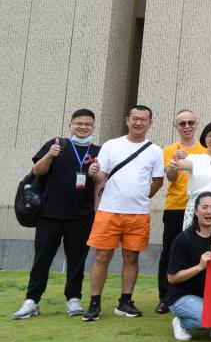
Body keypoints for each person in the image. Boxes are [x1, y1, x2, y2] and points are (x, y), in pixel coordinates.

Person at [13, 109, 101, 320]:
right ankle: (32, 300)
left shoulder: (98, 151)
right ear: (70, 125)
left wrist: (95, 175)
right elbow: (37, 171)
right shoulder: (57, 144)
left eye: (87, 124)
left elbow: (102, 182)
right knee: (42, 258)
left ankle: (74, 298)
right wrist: (50, 155)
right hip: (50, 214)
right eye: (78, 123)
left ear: (93, 127)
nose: (83, 127)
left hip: (82, 216)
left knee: (77, 260)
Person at [84, 105, 163, 321]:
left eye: (143, 119)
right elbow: (101, 176)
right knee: (102, 256)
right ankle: (94, 303)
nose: (138, 122)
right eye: (135, 118)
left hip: (138, 213)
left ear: (150, 123)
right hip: (109, 210)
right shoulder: (111, 145)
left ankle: (125, 301)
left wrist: (143, 197)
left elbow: (158, 181)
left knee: (131, 257)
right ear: (127, 120)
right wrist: (93, 173)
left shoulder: (155, 151)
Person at [166, 192, 211, 342]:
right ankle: (181, 323)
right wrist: (199, 266)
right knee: (208, 316)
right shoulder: (183, 239)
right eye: (204, 207)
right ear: (196, 211)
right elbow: (172, 278)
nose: (209, 211)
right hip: (182, 295)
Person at [157, 109, 206, 314]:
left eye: (190, 123)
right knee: (169, 252)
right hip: (176, 206)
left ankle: (195, 295)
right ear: (176, 127)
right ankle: (165, 297)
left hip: (201, 209)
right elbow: (170, 177)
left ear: (196, 124)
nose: (187, 127)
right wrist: (175, 162)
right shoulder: (170, 150)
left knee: (197, 253)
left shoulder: (205, 150)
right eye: (182, 123)